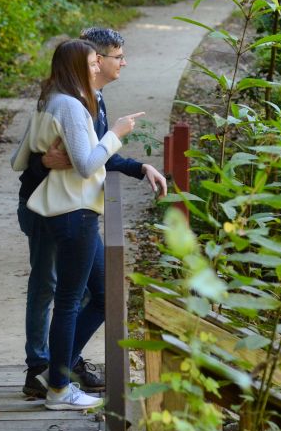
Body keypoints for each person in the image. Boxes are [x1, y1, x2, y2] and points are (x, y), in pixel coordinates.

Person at [16, 28, 167, 399]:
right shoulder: (67, 102)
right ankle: (46, 372)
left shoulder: (90, 99)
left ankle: (57, 370)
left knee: (96, 293)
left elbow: (95, 153)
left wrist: (137, 167)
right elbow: (80, 161)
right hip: (59, 207)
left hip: (73, 207)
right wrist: (45, 161)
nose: (118, 63)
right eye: (110, 57)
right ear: (90, 61)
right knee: (52, 288)